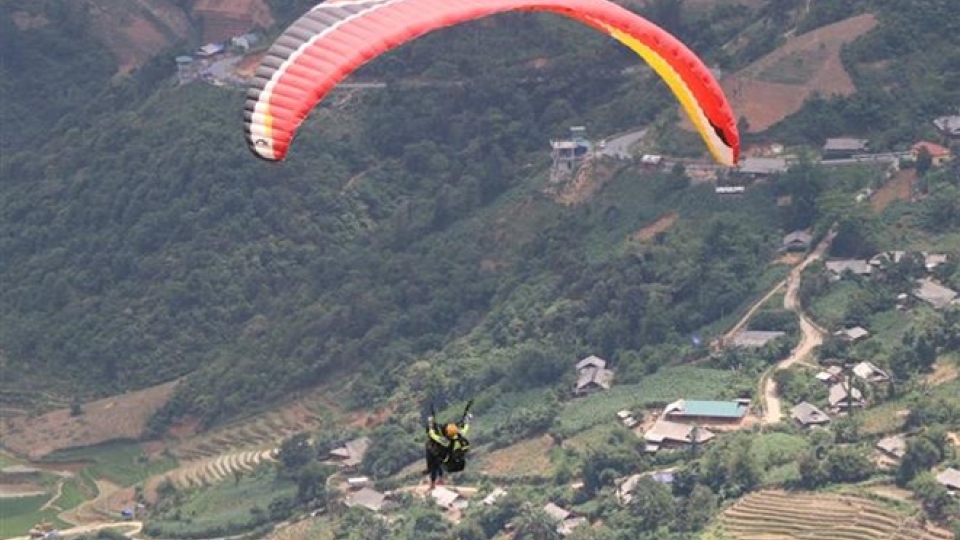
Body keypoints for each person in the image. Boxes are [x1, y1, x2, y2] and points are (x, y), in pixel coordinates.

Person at [424, 405, 472, 490]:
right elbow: (466, 427)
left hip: (448, 462)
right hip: (457, 462)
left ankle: (433, 484)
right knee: (438, 458)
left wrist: (431, 423)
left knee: (434, 460)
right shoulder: (460, 435)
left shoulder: (444, 441)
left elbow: (432, 434)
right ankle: (440, 479)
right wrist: (467, 418)